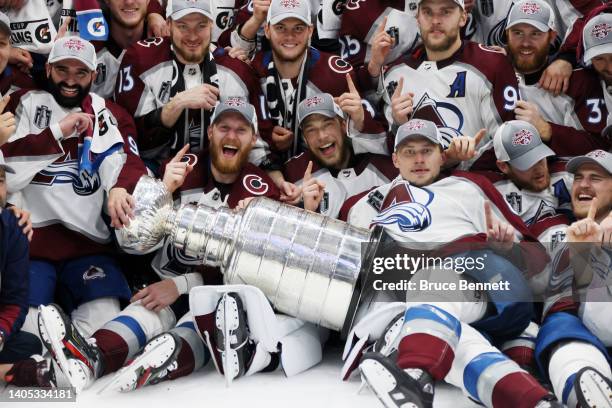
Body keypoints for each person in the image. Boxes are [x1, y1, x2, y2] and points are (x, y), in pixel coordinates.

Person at [35, 98, 314, 393]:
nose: (231, 136)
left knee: (198, 325)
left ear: (253, 138)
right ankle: (90, 360)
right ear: (210, 132)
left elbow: (247, 275)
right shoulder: (181, 167)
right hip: (159, 285)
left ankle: (158, 364)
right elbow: (131, 243)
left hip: (212, 296)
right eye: (224, 127)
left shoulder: (261, 193)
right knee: (139, 316)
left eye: (241, 130)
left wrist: (180, 286)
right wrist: (161, 191)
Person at [341, 118, 559, 408]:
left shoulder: (469, 187)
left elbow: (538, 261)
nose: (419, 159)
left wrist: (509, 250)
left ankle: (414, 375)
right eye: (409, 152)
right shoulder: (372, 203)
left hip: (491, 279)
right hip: (441, 307)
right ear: (394, 159)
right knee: (456, 345)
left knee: (428, 286)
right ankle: (534, 401)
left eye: (427, 151)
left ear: (441, 155)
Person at [0, 36, 147, 344]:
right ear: (49, 69)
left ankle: (71, 365)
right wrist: (58, 133)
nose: (70, 80)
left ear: (94, 75)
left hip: (87, 245)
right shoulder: (23, 102)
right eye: (62, 69)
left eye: (81, 73)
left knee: (103, 321)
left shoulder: (111, 113)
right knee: (26, 329)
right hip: (32, 245)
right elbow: (7, 163)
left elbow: (130, 162)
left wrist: (120, 188)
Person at [365, 0, 520, 171]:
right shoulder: (395, 73)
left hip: (476, 185)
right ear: (417, 18)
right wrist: (398, 125)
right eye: (428, 12)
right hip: (415, 190)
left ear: (463, 17)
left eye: (445, 12)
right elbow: (392, 152)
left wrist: (457, 162)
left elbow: (509, 142)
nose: (435, 20)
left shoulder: (492, 64)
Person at [114, 0, 271, 168]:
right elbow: (130, 142)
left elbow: (256, 147)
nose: (193, 36)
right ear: (169, 25)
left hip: (217, 177)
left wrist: (275, 178)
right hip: (155, 174)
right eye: (183, 26)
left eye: (201, 26)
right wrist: (173, 107)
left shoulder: (235, 70)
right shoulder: (141, 59)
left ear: (211, 25)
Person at [531, 150, 612, 408]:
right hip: (567, 326)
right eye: (578, 177)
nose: (584, 184)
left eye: (595, 178)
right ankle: (581, 392)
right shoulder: (551, 228)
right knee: (560, 326)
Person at [505, 0, 610, 157]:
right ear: (507, 35)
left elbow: (601, 146)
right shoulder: (492, 72)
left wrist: (547, 129)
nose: (526, 42)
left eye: (535, 33)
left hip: (572, 173)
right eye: (518, 33)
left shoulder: (578, 81)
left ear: (552, 36)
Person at [283, 92, 397, 218]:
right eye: (311, 130)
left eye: (328, 125)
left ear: (343, 125)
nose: (321, 136)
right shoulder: (294, 174)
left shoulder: (383, 164)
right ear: (305, 138)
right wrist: (306, 212)